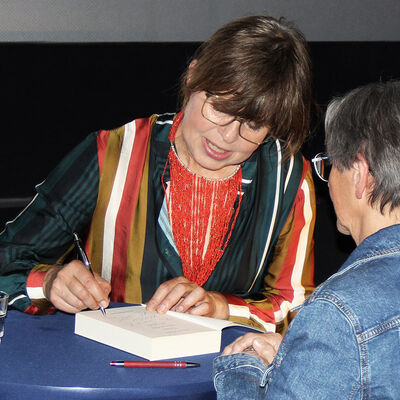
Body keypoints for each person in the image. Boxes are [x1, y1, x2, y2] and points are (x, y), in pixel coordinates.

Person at [0, 15, 315, 332]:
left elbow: (297, 310)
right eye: (220, 108)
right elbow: (7, 258)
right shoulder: (114, 154)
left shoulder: (285, 177)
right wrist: (51, 281)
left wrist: (221, 307)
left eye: (254, 125)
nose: (228, 136)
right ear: (193, 77)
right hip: (110, 367)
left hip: (224, 375)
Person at [214, 80, 400, 399]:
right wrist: (296, 356)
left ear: (360, 174)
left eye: (329, 166)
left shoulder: (338, 314)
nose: (327, 182)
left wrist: (241, 367)